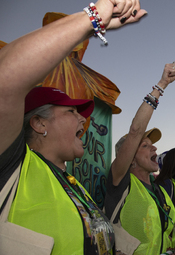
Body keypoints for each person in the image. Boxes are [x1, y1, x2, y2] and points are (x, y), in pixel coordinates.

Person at [0, 1, 147, 254]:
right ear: (38, 123)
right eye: (71, 111)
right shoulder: (14, 166)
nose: (83, 120)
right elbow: (5, 77)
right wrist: (93, 19)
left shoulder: (72, 184)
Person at [104, 62, 175, 255]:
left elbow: (163, 228)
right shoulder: (121, 182)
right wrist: (161, 86)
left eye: (152, 144)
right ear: (130, 159)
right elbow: (135, 131)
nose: (155, 147)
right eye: (145, 145)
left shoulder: (160, 191)